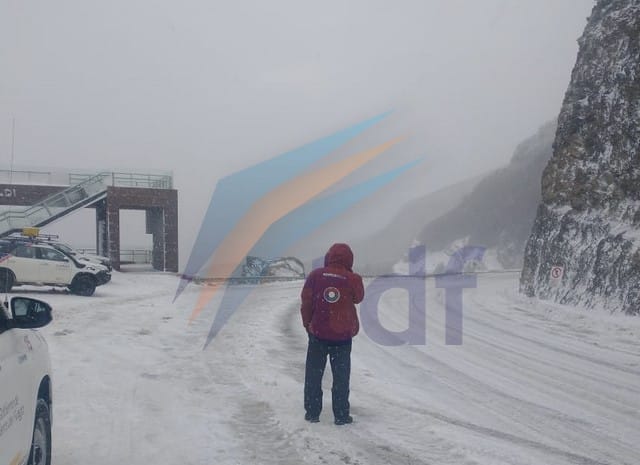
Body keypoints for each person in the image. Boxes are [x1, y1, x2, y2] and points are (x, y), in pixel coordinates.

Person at [300, 243, 364, 425]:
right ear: (349, 259)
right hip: (342, 338)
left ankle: (312, 413)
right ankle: (341, 415)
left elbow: (306, 302)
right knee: (341, 377)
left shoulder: (315, 275)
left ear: (328, 257)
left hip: (318, 335)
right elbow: (359, 298)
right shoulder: (353, 279)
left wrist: (308, 325)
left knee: (313, 374)